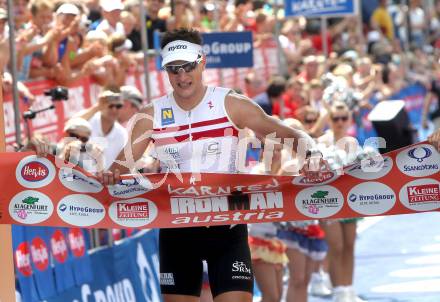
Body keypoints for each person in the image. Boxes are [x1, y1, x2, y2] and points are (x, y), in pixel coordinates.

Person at [99, 28, 324, 302]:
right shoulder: (151, 114)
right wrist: (106, 174)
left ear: (202, 62)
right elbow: (122, 165)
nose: (182, 77)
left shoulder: (230, 103)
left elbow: (291, 133)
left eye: (188, 67)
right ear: (166, 71)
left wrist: (310, 154)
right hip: (177, 227)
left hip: (227, 226)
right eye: (174, 70)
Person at [74, 87, 128, 170]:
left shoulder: (122, 134)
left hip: (106, 181)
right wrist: (97, 107)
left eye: (118, 106)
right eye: (111, 105)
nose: (114, 109)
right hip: (81, 178)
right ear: (102, 105)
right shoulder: (88, 121)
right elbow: (71, 125)